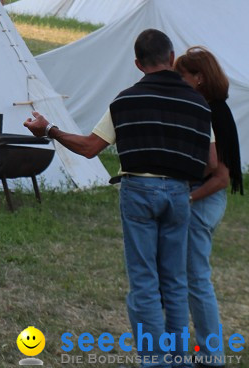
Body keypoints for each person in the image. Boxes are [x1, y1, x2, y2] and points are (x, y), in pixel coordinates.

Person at [24, 29, 217, 365]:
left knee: (144, 281)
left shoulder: (125, 101)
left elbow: (88, 148)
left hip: (139, 191)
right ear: (171, 59)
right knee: (175, 281)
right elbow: (210, 163)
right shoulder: (199, 104)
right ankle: (179, 359)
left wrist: (49, 130)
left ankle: (154, 360)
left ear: (138, 64)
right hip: (178, 193)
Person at [174, 46, 243, 365]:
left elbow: (221, 176)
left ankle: (211, 355)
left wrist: (185, 196)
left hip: (203, 202)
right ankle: (207, 352)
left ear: (198, 78)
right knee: (194, 279)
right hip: (205, 201)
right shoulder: (217, 109)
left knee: (197, 280)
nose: (178, 80)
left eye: (182, 75)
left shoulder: (212, 113)